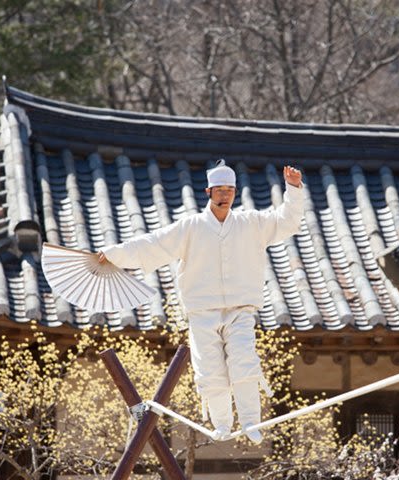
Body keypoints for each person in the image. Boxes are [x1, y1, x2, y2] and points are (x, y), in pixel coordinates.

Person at [98, 159, 304, 444]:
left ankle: (249, 420)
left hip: (241, 308)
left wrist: (293, 189)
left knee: (244, 361)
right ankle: (221, 423)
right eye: (219, 190)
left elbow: (287, 221)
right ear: (208, 192)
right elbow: (151, 244)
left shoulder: (251, 223)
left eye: (229, 190)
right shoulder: (190, 227)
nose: (224, 195)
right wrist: (114, 254)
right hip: (202, 311)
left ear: (234, 193)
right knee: (210, 369)